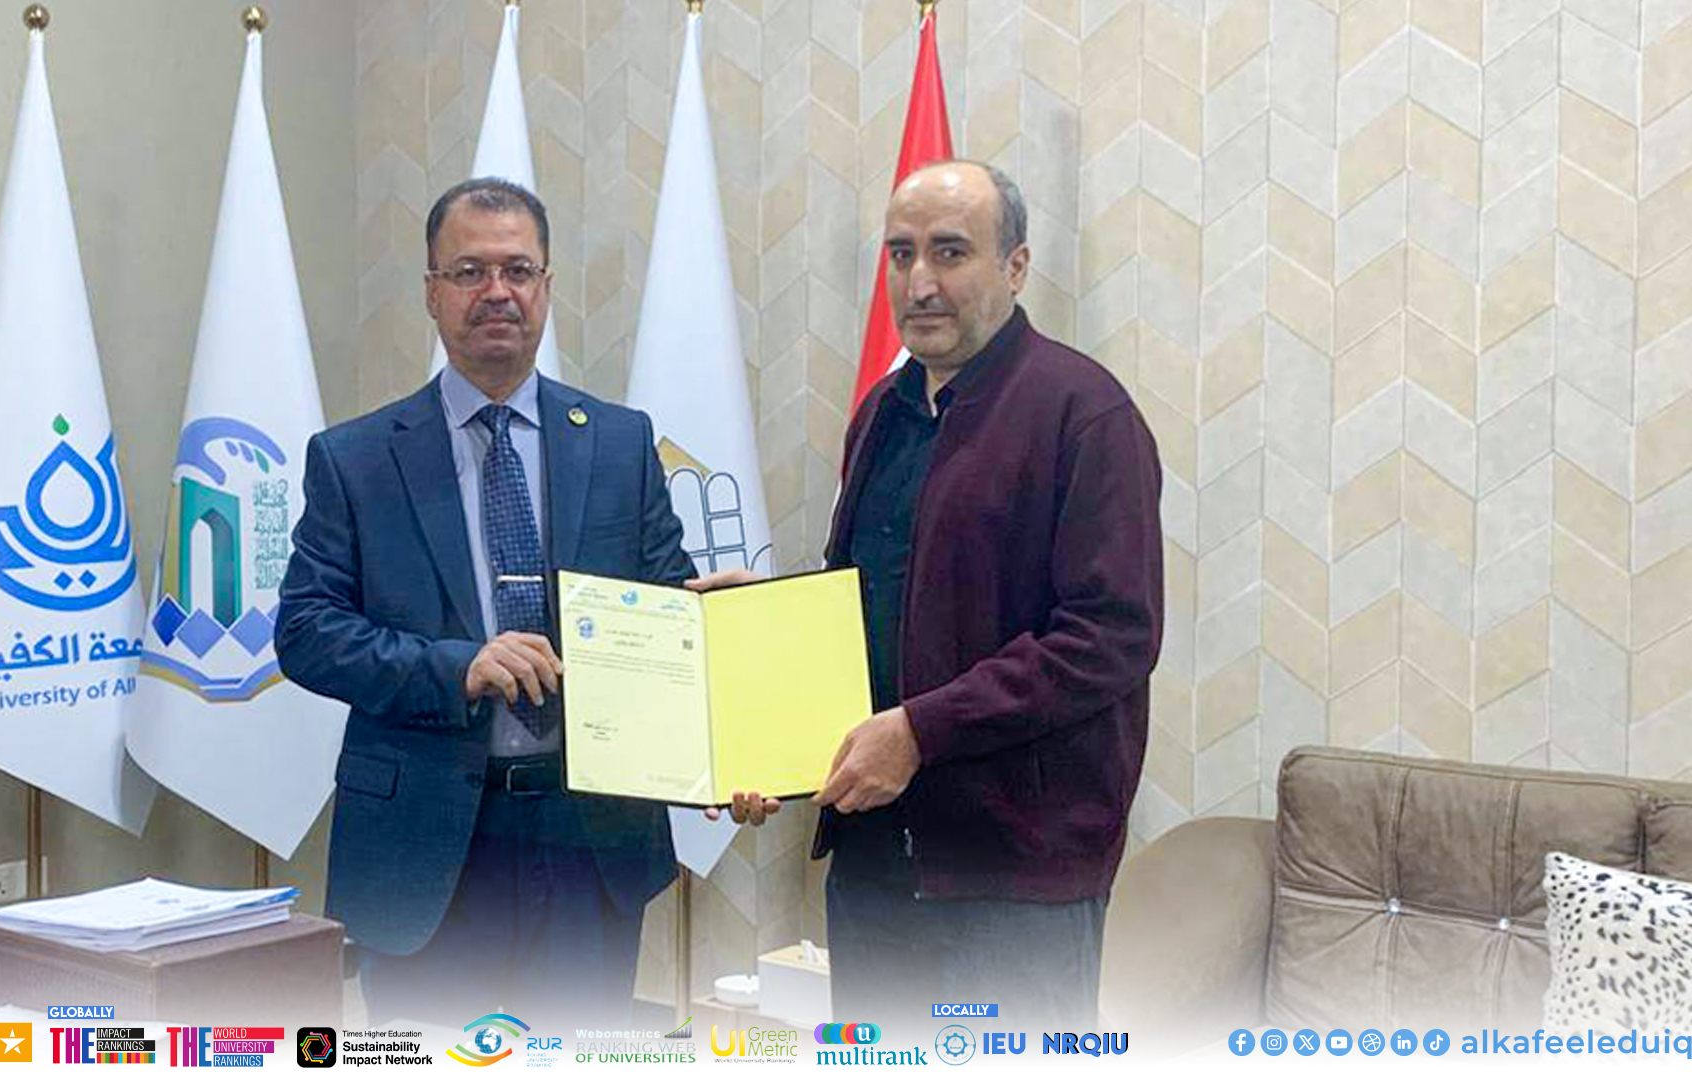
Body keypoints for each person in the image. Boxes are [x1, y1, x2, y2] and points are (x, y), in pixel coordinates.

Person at [702, 161, 1164, 1037]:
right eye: (900, 254)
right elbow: (874, 603)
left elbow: (1108, 637)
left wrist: (920, 731)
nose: (919, 283)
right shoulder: (883, 412)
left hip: (1012, 888)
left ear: (1015, 266)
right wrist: (763, 638)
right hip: (873, 867)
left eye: (950, 252)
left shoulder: (1085, 414)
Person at [276, 177, 695, 1028]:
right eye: (469, 271)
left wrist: (713, 636)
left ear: (547, 287)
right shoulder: (356, 458)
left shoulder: (620, 443)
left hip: (589, 838)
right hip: (425, 846)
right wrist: (458, 668)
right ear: (432, 292)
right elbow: (308, 631)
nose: (497, 291)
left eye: (518, 270)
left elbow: (665, 608)